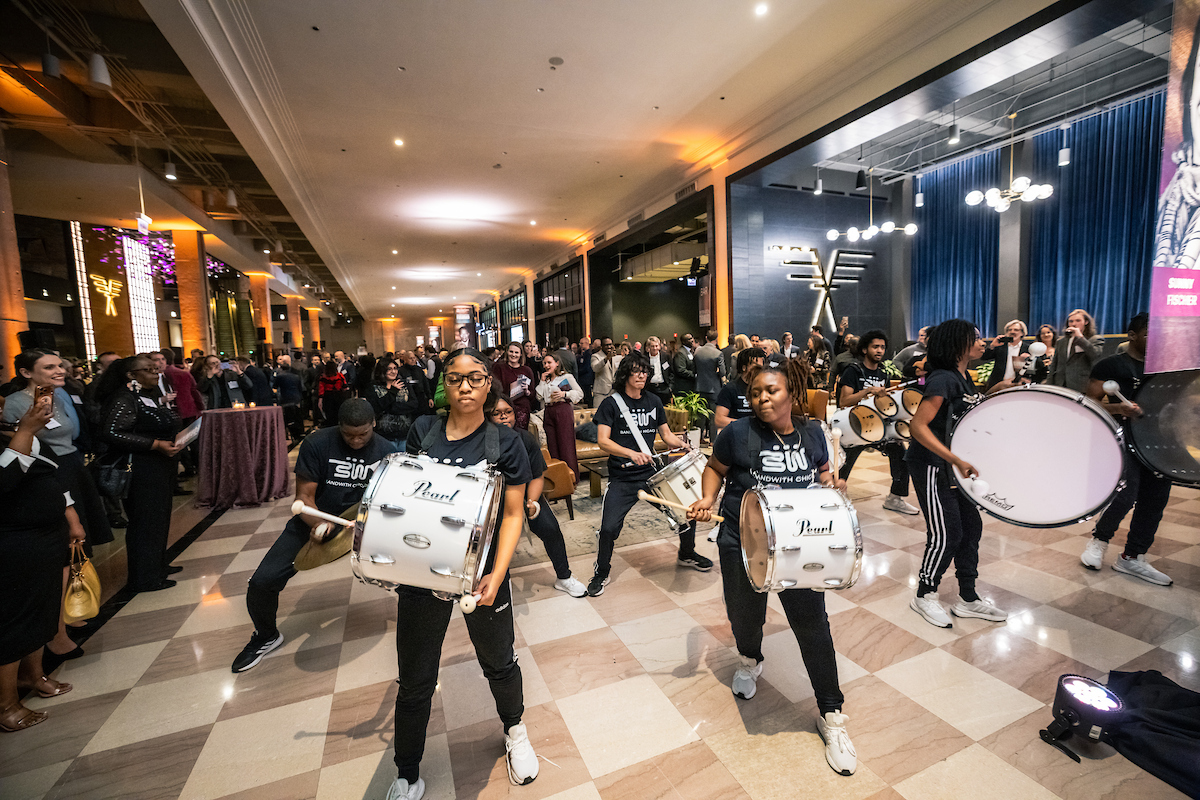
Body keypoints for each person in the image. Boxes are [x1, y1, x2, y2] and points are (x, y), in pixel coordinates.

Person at [687, 357, 857, 777]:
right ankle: (749, 658)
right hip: (742, 542)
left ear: (791, 393)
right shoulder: (737, 433)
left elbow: (821, 474)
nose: (762, 398)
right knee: (745, 616)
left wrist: (832, 485)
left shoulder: (814, 432)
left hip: (798, 547)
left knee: (812, 624)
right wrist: (708, 500)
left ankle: (832, 714)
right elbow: (714, 469)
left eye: (772, 391)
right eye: (756, 392)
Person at [390, 349, 539, 798]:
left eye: (475, 378)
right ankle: (407, 771)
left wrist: (498, 572)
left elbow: (513, 515)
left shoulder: (504, 441)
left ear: (488, 383)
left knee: (498, 660)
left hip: (482, 570)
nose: (465, 387)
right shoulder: (423, 431)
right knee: (415, 676)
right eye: (455, 378)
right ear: (445, 385)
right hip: (425, 571)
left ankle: (515, 730)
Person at [232, 399, 396, 675]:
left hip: (362, 523)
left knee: (409, 572)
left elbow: (386, 500)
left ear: (373, 425)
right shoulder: (318, 443)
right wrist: (318, 524)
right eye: (348, 434)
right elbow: (304, 498)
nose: (355, 440)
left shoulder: (386, 451)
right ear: (339, 427)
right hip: (315, 518)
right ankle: (266, 636)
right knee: (262, 581)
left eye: (362, 434)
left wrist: (369, 523)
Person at [906, 320, 1007, 628]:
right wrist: (954, 459)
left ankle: (968, 597)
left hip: (953, 469)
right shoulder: (942, 380)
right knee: (946, 531)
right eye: (975, 338)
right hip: (932, 466)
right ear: (957, 344)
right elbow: (918, 426)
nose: (982, 342)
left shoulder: (963, 377)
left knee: (971, 527)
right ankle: (924, 594)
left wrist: (995, 393)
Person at [589, 351, 712, 597]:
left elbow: (665, 435)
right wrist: (630, 453)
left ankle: (687, 554)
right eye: (636, 371)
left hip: (651, 476)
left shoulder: (654, 401)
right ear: (625, 374)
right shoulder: (611, 404)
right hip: (623, 477)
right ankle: (601, 570)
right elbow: (603, 441)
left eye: (645, 371)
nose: (642, 375)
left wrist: (682, 444)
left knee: (686, 512)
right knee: (609, 528)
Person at [0, 396, 81, 732]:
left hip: (45, 537)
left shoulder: (9, 431)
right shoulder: (17, 433)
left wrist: (71, 516)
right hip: (15, 541)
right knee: (17, 619)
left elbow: (50, 472)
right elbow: (4, 480)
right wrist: (26, 430)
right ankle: (5, 705)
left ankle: (33, 676)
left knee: (43, 611)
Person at [1081, 313, 1172, 585]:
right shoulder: (1111, 365)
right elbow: (1089, 402)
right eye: (1148, 334)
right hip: (1124, 439)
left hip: (1159, 441)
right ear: (1132, 335)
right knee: (1124, 494)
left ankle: (1133, 557)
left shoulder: (1167, 366)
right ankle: (1099, 540)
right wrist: (1118, 408)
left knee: (1155, 501)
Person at [96, 356, 184, 592]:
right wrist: (155, 444)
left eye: (156, 370)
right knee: (145, 522)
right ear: (131, 375)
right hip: (141, 468)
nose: (156, 374)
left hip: (160, 465)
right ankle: (144, 577)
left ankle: (157, 565)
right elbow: (112, 432)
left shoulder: (147, 396)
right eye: (148, 370)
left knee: (159, 518)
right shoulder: (124, 398)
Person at [487, 392, 587, 597]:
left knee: (551, 530)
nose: (505, 417)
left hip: (525, 496)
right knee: (487, 543)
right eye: (497, 414)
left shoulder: (524, 438)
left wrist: (532, 502)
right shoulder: (480, 441)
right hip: (491, 501)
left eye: (508, 412)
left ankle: (564, 577)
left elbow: (537, 475)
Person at [836, 330, 918, 515]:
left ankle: (895, 498)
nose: (880, 350)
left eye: (882, 347)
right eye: (875, 347)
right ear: (865, 349)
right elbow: (844, 401)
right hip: (854, 426)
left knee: (900, 454)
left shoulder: (883, 374)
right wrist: (867, 392)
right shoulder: (853, 370)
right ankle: (835, 496)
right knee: (843, 463)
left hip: (876, 426)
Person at [536, 354, 583, 480]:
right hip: (548, 410)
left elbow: (580, 393)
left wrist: (565, 393)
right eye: (544, 363)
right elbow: (538, 396)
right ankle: (558, 479)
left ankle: (571, 478)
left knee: (565, 444)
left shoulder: (566, 377)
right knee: (552, 445)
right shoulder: (545, 380)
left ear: (557, 363)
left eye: (549, 362)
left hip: (563, 409)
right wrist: (541, 380)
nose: (546, 365)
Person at [366, 358, 421, 451]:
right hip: (384, 435)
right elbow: (377, 407)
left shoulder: (404, 384)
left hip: (404, 434)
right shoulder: (374, 387)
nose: (393, 371)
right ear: (382, 371)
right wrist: (393, 391)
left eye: (395, 368)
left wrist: (390, 408)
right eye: (389, 369)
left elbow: (414, 404)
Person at [1047, 309, 1104, 394]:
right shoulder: (1061, 341)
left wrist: (1080, 338)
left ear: (1086, 322)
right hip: (1060, 385)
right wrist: (1049, 385)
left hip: (1080, 386)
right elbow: (1054, 365)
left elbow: (1094, 355)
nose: (1073, 324)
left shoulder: (1094, 339)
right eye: (1071, 321)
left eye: (1078, 320)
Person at [715, 347, 764, 431]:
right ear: (744, 368)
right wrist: (748, 426)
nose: (759, 370)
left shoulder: (764, 389)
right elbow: (719, 420)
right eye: (755, 367)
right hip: (738, 435)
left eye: (761, 367)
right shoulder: (730, 388)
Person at [492, 342, 537, 430]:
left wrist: (527, 391)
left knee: (520, 435)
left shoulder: (527, 370)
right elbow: (495, 389)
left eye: (516, 352)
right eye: (511, 352)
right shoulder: (499, 368)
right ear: (507, 352)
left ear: (521, 354)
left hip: (522, 408)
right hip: (504, 407)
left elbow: (533, 394)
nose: (513, 355)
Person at [694, 330, 725, 443]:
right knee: (713, 415)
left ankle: (699, 439)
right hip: (714, 388)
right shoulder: (718, 353)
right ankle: (713, 440)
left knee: (700, 415)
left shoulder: (697, 351)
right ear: (716, 339)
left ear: (706, 337)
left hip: (699, 386)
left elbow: (694, 369)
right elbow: (722, 372)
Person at [982, 320, 1031, 392]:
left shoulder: (1028, 348)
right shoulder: (1000, 346)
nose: (1012, 332)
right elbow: (984, 357)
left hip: (1019, 386)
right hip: (998, 385)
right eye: (1009, 330)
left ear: (1022, 333)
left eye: (1016, 330)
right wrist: (992, 346)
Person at [273, 354, 306, 441]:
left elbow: (274, 387)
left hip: (286, 399)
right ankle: (300, 433)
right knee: (298, 417)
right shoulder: (296, 376)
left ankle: (293, 435)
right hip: (296, 398)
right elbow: (300, 388)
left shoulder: (279, 376)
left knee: (289, 418)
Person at [317, 360, 351, 426]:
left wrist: (320, 400)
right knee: (338, 414)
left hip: (328, 397)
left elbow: (321, 390)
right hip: (339, 397)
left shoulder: (323, 377)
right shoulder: (340, 376)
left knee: (329, 415)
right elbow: (345, 387)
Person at [643, 336, 673, 405]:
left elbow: (671, 372)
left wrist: (670, 387)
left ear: (659, 346)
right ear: (648, 347)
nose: (655, 348)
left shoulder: (666, 356)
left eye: (656, 346)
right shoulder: (644, 358)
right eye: (652, 346)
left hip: (664, 389)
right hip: (649, 389)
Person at [591, 337, 619, 408]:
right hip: (601, 392)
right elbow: (595, 368)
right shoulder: (595, 356)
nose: (609, 347)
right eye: (606, 345)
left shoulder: (615, 357)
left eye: (610, 344)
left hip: (614, 391)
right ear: (601, 346)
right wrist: (606, 359)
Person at [576, 336, 595, 406]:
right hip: (584, 379)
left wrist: (578, 372)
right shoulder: (583, 354)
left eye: (581, 343)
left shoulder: (588, 354)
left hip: (586, 379)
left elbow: (587, 367)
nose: (580, 345)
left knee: (588, 397)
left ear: (587, 343)